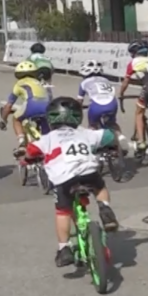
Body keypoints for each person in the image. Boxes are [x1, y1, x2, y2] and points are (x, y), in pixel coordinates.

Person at [21, 97, 120, 267]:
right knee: (100, 187)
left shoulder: (49, 138)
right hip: (88, 172)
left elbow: (32, 151)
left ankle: (64, 248)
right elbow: (109, 135)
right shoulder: (85, 133)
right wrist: (113, 143)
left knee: (63, 212)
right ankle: (105, 208)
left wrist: (27, 158)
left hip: (64, 178)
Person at [116, 39, 148, 153]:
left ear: (133, 53)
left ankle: (141, 141)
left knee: (139, 113)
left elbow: (126, 82)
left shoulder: (133, 63)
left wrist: (121, 94)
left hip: (147, 88)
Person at [0, 60, 53, 155]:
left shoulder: (19, 84)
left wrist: (3, 120)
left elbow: (8, 105)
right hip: (48, 106)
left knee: (16, 119)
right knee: (45, 127)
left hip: (31, 105)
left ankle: (22, 144)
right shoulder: (40, 82)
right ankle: (48, 145)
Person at [76, 60, 120, 131]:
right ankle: (120, 137)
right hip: (112, 103)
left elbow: (79, 102)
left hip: (96, 106)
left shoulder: (84, 83)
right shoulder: (106, 80)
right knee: (112, 124)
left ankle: (92, 139)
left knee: (93, 126)